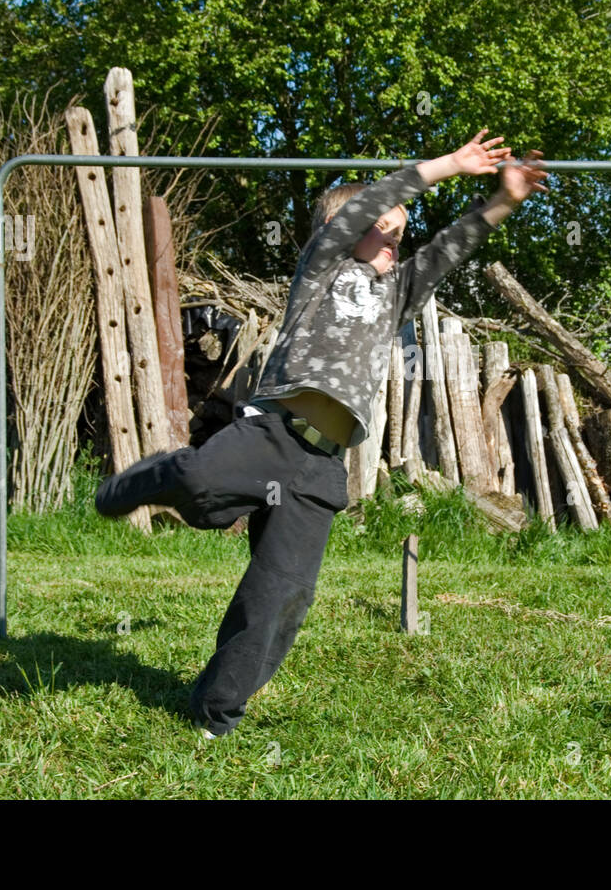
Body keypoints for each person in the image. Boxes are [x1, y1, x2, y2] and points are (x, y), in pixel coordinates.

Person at [95, 129, 549, 738]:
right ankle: (149, 480)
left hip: (319, 469)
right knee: (199, 477)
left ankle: (216, 711)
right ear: (344, 228)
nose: (397, 236)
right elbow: (368, 205)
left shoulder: (397, 292)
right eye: (385, 225)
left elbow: (449, 249)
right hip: (272, 433)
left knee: (281, 595)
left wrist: (502, 200)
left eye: (401, 229)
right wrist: (446, 166)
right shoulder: (324, 267)